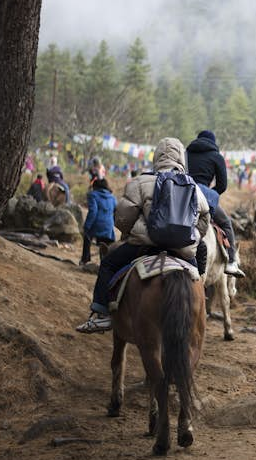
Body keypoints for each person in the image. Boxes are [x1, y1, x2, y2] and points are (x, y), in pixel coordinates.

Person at [76, 137, 210, 333]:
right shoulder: (194, 187)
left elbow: (122, 216)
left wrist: (131, 232)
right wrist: (193, 236)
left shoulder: (141, 181)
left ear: (156, 157)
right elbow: (205, 218)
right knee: (197, 278)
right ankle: (201, 310)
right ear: (182, 159)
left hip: (143, 245)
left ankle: (102, 314)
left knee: (108, 265)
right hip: (183, 250)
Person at [186, 129, 245, 278]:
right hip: (204, 195)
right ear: (213, 142)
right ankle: (231, 261)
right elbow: (222, 185)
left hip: (184, 193)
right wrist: (210, 194)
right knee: (225, 223)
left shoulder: (186, 153)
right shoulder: (216, 156)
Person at [80, 178, 117, 265]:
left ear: (95, 187)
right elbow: (116, 211)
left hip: (96, 224)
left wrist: (87, 226)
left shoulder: (93, 195)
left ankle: (85, 260)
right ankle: (105, 263)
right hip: (108, 226)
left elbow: (93, 211)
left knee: (87, 236)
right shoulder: (112, 197)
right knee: (106, 245)